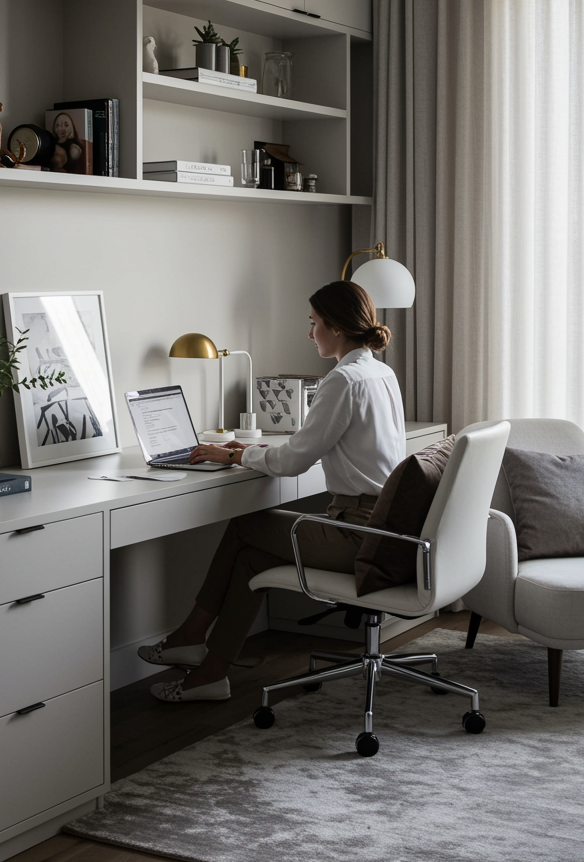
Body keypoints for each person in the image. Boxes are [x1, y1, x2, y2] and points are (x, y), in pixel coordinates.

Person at [138, 280, 406, 702]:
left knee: (246, 527)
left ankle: (190, 635)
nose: (309, 332)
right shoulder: (380, 372)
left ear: (335, 327)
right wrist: (250, 451)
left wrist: (232, 456)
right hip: (386, 528)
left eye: (314, 323)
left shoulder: (342, 381)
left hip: (359, 535)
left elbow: (293, 462)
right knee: (250, 559)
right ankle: (211, 671)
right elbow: (311, 449)